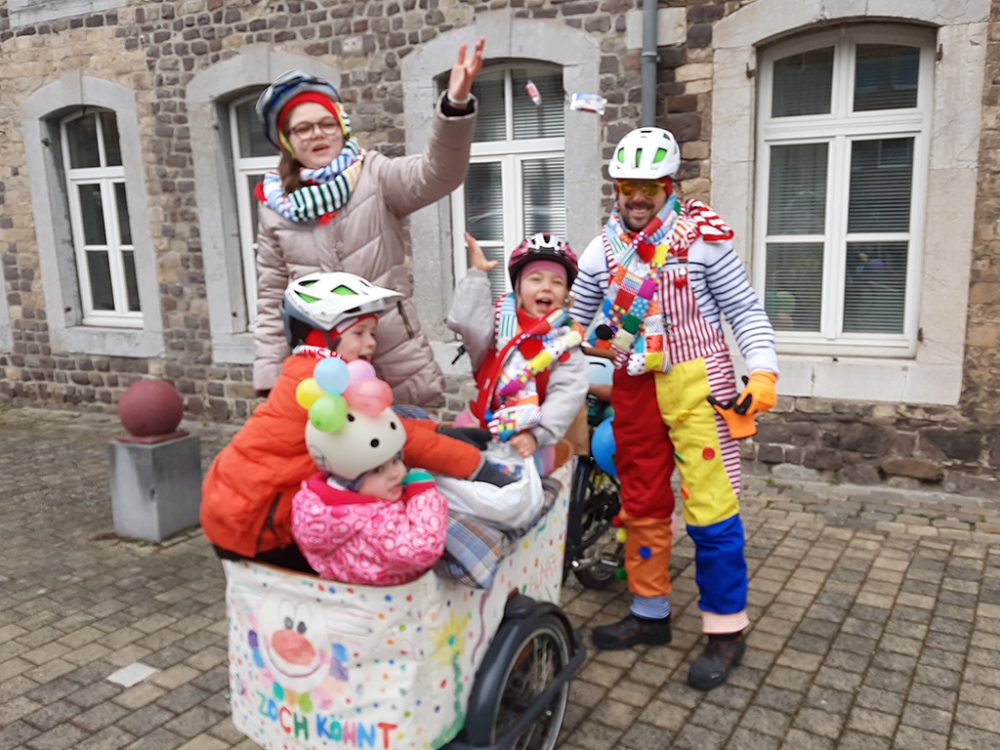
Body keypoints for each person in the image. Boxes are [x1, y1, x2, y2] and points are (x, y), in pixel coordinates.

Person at [570, 127, 779, 690]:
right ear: (615, 189)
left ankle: (725, 631)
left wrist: (762, 370)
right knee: (641, 501)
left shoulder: (705, 240)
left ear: (669, 186)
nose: (637, 198)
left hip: (697, 382)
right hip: (633, 384)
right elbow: (573, 319)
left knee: (710, 506)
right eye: (627, 187)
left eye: (649, 187)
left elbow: (745, 310)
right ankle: (649, 614)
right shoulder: (600, 249)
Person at [201, 271, 512, 573]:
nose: (371, 343)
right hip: (256, 523)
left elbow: (387, 423)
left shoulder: (310, 370)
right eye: (358, 333)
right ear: (319, 337)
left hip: (235, 506)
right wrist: (478, 468)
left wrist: (444, 432)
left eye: (372, 333)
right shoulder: (325, 386)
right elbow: (394, 439)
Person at [251, 38, 485, 404]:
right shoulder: (274, 206)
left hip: (392, 355)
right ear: (287, 141)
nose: (318, 134)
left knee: (403, 452)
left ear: (341, 127)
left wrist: (454, 109)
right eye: (303, 128)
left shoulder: (374, 175)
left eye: (327, 123)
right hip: (321, 366)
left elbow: (439, 173)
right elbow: (271, 298)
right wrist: (269, 377)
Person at [291, 360, 448, 585]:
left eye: (396, 459)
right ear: (349, 479)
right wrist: (423, 495)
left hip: (349, 588)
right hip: (396, 597)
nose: (398, 473)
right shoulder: (373, 521)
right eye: (378, 470)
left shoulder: (312, 504)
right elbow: (423, 549)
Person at [447, 232, 589, 470]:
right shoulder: (496, 326)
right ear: (518, 288)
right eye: (535, 279)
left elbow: (566, 396)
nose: (546, 287)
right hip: (478, 427)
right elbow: (467, 321)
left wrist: (537, 435)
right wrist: (477, 276)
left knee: (517, 498)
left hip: (528, 441)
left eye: (557, 282)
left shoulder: (566, 345)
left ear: (566, 295)